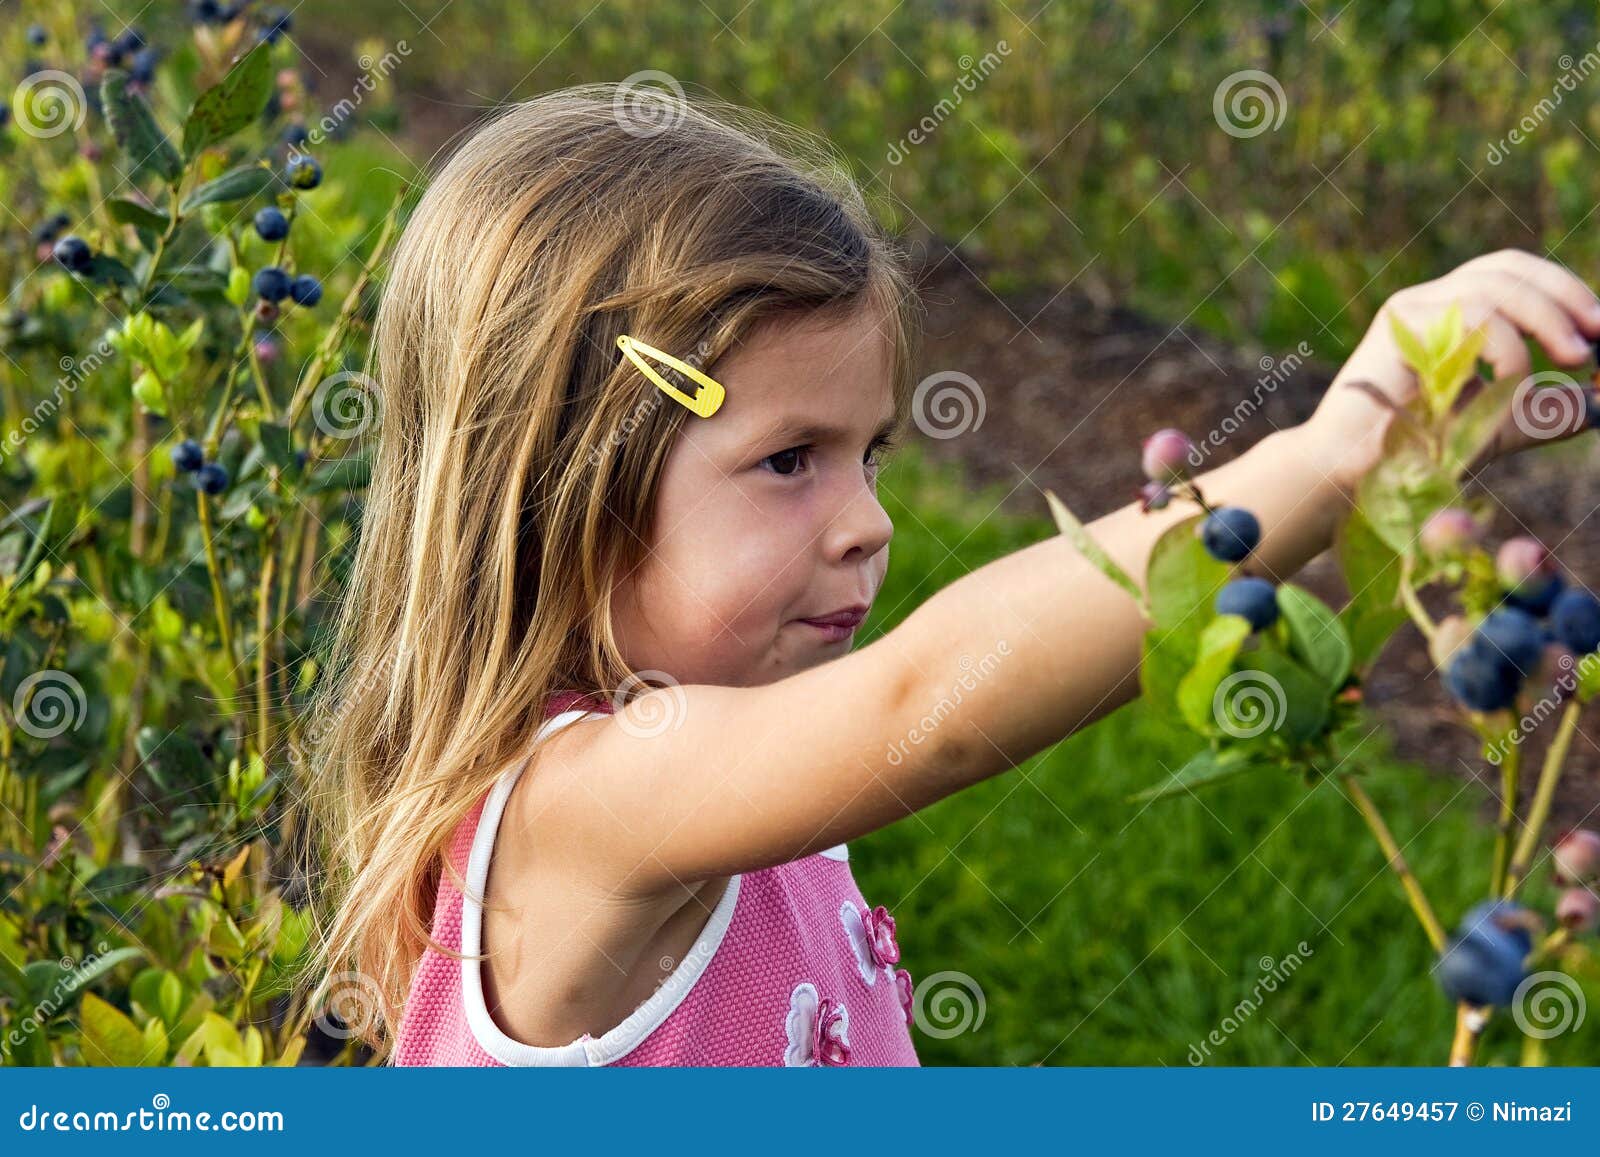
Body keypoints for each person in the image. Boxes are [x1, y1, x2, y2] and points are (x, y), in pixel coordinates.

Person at [298, 83, 1600, 1066]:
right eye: (790, 459)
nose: (868, 520)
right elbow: (931, 707)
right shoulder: (580, 809)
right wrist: (1323, 460)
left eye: (873, 453)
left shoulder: (714, 767)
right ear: (558, 480)